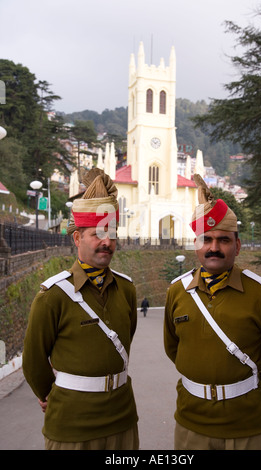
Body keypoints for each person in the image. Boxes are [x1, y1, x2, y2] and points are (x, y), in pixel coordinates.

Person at [164, 174, 261, 451]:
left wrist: (254, 386)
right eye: (206, 239)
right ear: (196, 245)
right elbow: (173, 348)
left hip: (246, 427)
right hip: (190, 424)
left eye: (223, 240)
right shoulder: (177, 292)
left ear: (237, 246)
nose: (214, 247)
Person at [23, 169, 139, 450]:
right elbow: (34, 360)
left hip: (122, 417)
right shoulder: (53, 295)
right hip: (71, 423)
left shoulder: (126, 289)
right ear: (77, 238)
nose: (107, 242)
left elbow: (125, 337)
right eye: (97, 234)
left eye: (111, 234)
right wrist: (51, 395)